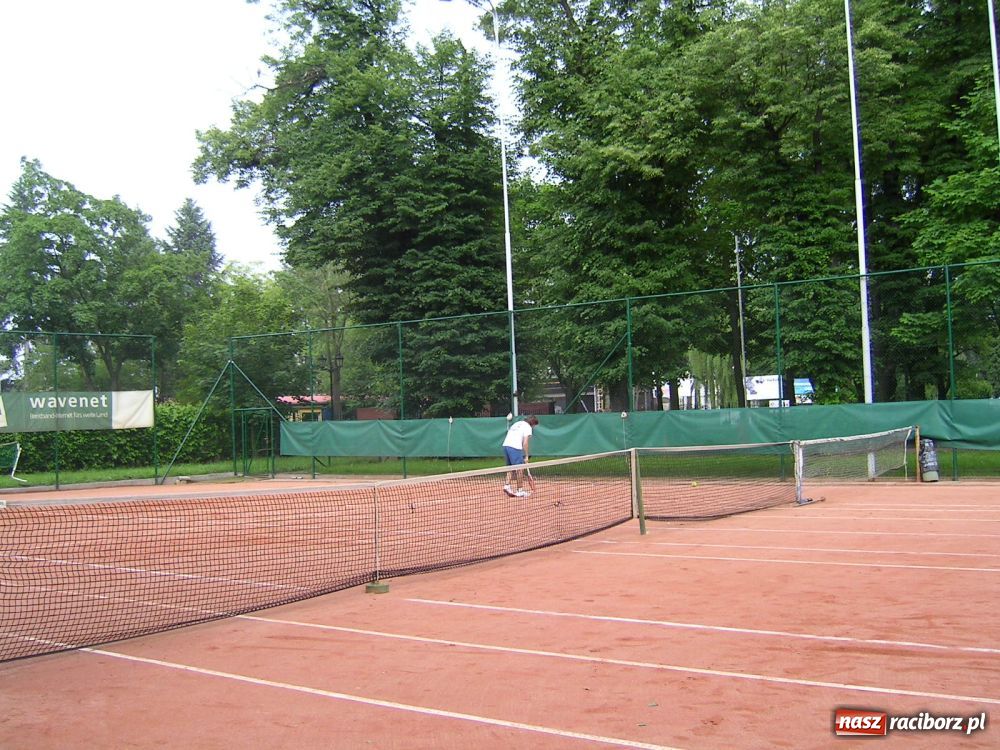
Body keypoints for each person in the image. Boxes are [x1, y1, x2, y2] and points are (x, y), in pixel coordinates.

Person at [502, 415, 538, 497]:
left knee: (510, 468)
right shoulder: (528, 427)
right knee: (520, 469)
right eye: (534, 425)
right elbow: (525, 443)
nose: (534, 427)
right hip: (515, 447)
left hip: (506, 445)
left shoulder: (517, 423)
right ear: (532, 424)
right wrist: (526, 456)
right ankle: (520, 490)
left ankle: (507, 486)